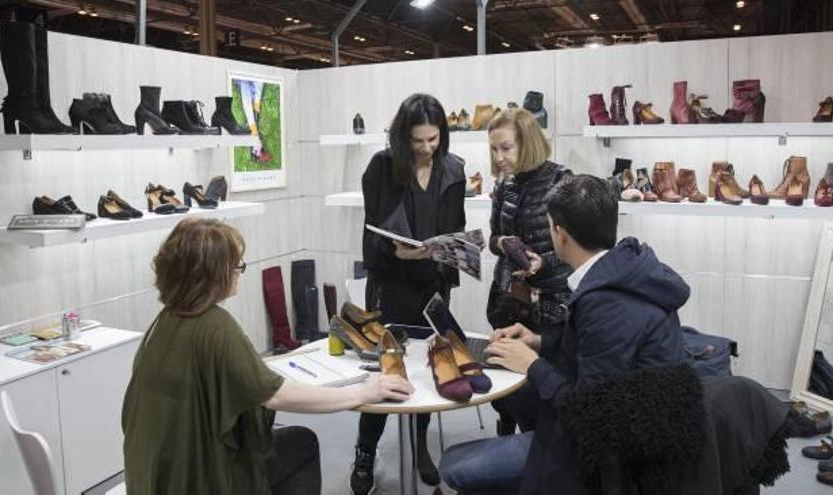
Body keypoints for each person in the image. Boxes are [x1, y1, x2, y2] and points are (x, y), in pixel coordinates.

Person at [122, 218, 414, 495]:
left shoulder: (161, 322)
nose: (239, 270)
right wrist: (365, 391)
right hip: (197, 478)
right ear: (212, 274)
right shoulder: (215, 325)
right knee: (301, 443)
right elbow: (277, 396)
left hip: (149, 471)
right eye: (235, 265)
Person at [440, 175, 689, 494]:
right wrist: (539, 341)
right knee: (517, 393)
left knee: (453, 465)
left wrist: (532, 364)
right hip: (630, 429)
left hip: (615, 459)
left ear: (560, 232)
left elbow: (591, 412)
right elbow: (596, 351)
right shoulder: (622, 269)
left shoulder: (605, 304)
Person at [354, 93, 466, 494]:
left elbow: (457, 227)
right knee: (387, 369)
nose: (426, 148)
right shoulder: (381, 168)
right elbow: (372, 232)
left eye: (433, 139)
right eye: (418, 141)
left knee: (431, 367)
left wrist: (446, 250)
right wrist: (395, 248)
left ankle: (419, 446)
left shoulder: (453, 169)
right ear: (404, 137)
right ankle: (365, 450)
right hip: (393, 284)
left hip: (433, 284)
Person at [486, 107, 573, 435]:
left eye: (505, 148)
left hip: (549, 302)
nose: (498, 157)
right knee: (505, 384)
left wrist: (543, 262)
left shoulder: (560, 181)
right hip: (509, 299)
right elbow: (493, 236)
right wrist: (502, 243)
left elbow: (574, 247)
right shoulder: (504, 185)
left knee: (540, 389)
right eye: (494, 149)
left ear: (529, 142)